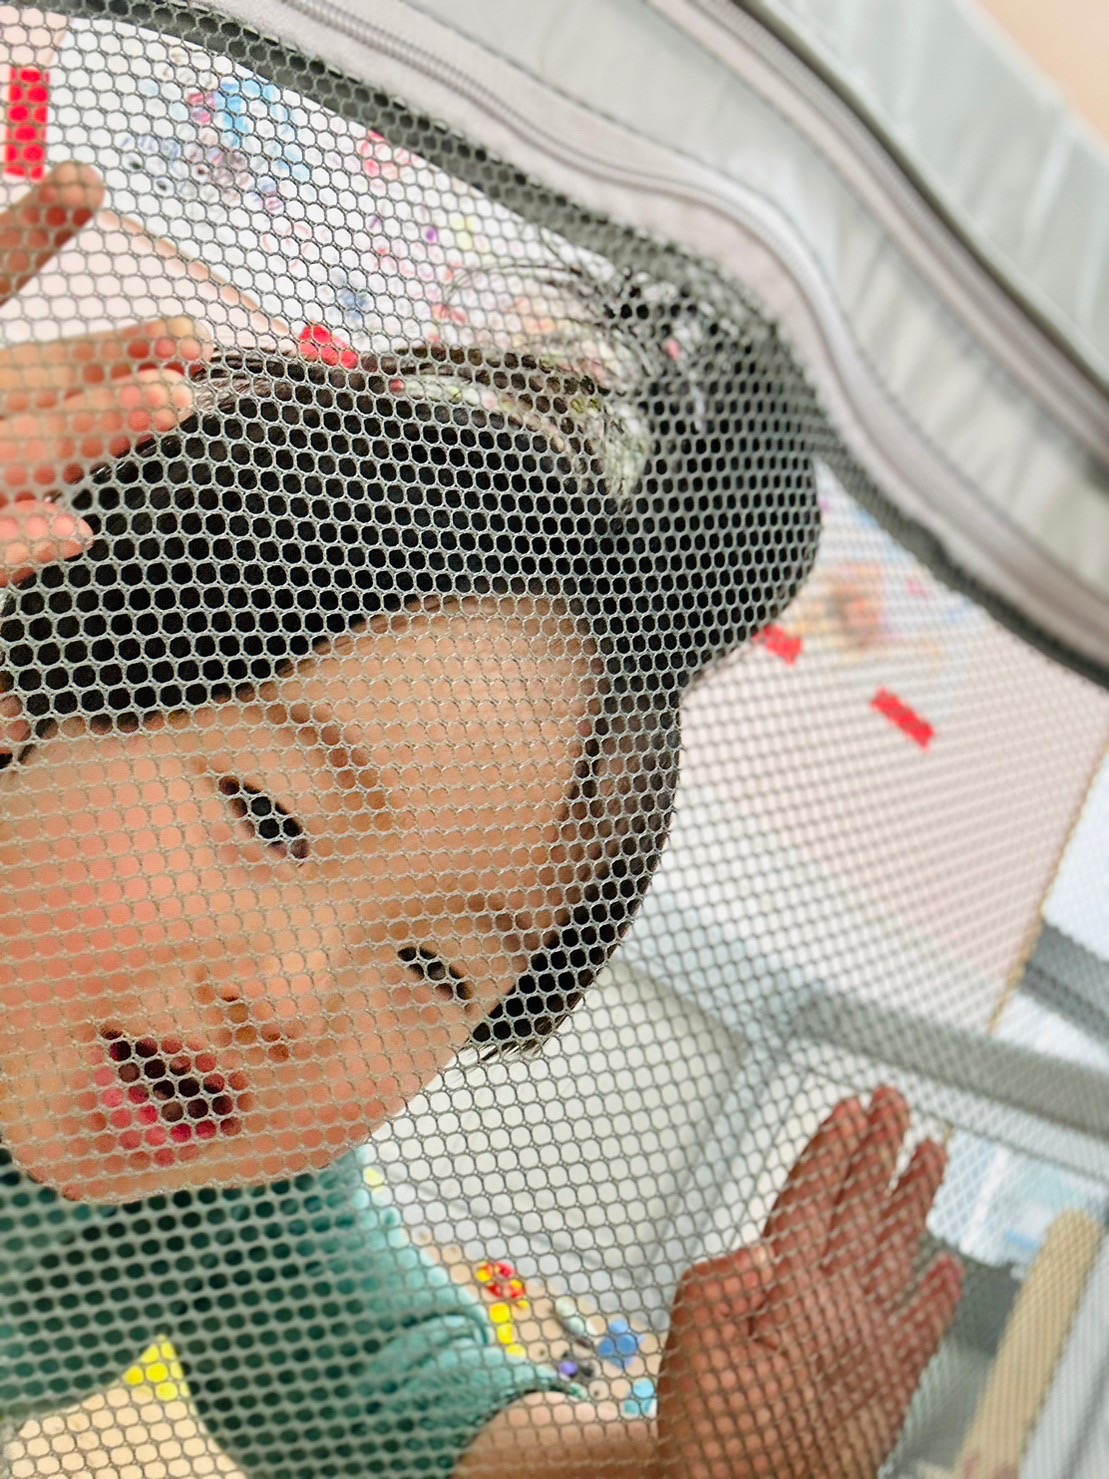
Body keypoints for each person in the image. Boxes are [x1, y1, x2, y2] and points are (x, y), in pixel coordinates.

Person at [0, 164, 963, 1479]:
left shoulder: (215, 1190)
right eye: (271, 817)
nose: (288, 1002)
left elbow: (411, 1398)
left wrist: (706, 1461)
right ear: (36, 694)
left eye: (435, 965)